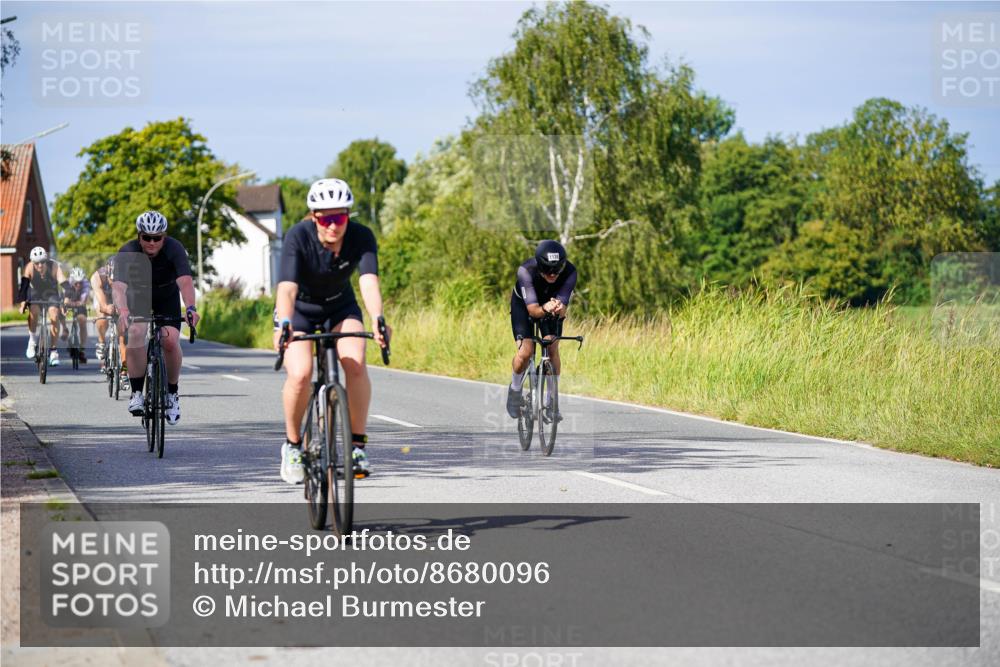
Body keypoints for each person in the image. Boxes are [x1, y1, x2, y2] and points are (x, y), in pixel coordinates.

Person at [273, 178, 390, 484]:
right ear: (314, 217)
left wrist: (378, 317)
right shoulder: (299, 236)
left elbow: (368, 281)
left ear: (348, 216)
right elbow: (286, 287)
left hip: (340, 308)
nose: (333, 225)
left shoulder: (361, 236)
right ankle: (293, 445)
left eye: (340, 217)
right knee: (300, 373)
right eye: (326, 218)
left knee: (355, 360)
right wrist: (284, 323)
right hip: (299, 310)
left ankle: (357, 446)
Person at [113, 211, 200, 425]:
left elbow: (186, 281)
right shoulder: (128, 251)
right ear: (139, 236)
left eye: (157, 238)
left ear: (164, 236)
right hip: (138, 297)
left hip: (166, 296)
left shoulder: (174, 249)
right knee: (136, 332)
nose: (152, 243)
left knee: (169, 339)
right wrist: (123, 310)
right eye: (147, 238)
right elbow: (118, 287)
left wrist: (190, 307)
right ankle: (136, 394)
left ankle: (172, 393)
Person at [506, 240, 578, 420]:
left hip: (551, 307)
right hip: (525, 307)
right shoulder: (526, 271)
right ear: (539, 265)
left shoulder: (570, 272)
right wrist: (545, 308)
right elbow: (533, 310)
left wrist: (558, 308)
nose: (552, 274)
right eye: (547, 270)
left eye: (556, 270)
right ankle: (515, 390)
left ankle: (552, 401)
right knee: (525, 353)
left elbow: (562, 311)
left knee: (552, 348)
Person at [17, 246, 67, 366]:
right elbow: (24, 286)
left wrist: (67, 299)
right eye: (36, 263)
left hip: (51, 293)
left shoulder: (54, 266)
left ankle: (54, 351)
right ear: (32, 262)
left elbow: (65, 283)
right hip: (36, 293)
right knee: (33, 309)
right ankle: (33, 340)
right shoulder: (29, 267)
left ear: (46, 260)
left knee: (54, 314)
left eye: (42, 262)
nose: (40, 265)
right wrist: (23, 302)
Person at [91, 258, 126, 375]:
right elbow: (102, 305)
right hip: (103, 297)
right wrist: (107, 308)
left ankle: (124, 372)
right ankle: (101, 341)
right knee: (102, 316)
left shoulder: (128, 277)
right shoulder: (98, 277)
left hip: (120, 296)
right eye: (111, 280)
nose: (113, 282)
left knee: (123, 334)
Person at [61, 267, 91, 364]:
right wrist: (67, 305)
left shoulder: (86, 285)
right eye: (76, 283)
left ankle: (82, 349)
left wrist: (76, 304)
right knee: (60, 311)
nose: (78, 285)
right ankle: (65, 329)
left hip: (79, 302)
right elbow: (65, 301)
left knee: (82, 321)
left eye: (80, 283)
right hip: (70, 299)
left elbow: (83, 302)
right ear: (72, 281)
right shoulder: (68, 284)